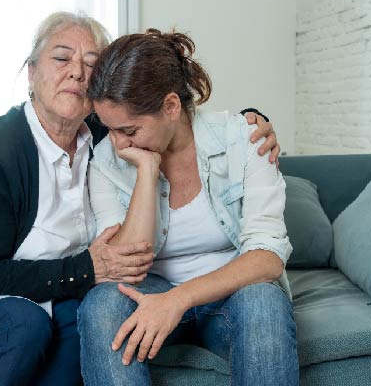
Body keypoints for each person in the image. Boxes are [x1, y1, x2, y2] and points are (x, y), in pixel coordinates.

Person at [0, 12, 280, 385]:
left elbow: (165, 112)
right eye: (61, 57)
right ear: (31, 72)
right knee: (57, 316)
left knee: (82, 314)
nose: (76, 71)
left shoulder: (101, 134)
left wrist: (254, 119)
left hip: (71, 292)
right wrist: (90, 267)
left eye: (90, 63)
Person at [79, 29, 298, 385]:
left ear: (170, 106)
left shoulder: (243, 139)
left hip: (231, 295)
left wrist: (178, 300)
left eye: (129, 130)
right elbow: (122, 268)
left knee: (264, 303)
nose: (118, 143)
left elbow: (267, 256)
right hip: (150, 291)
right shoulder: (107, 161)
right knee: (102, 305)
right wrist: (147, 172)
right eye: (110, 129)